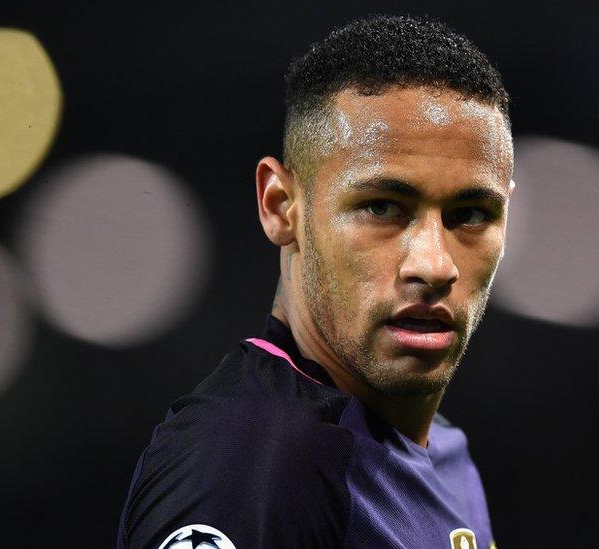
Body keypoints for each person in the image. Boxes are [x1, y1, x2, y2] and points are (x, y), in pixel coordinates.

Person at [118, 14, 513, 549]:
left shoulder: (443, 453)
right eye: (382, 207)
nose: (434, 264)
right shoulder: (248, 469)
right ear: (281, 206)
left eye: (470, 215)